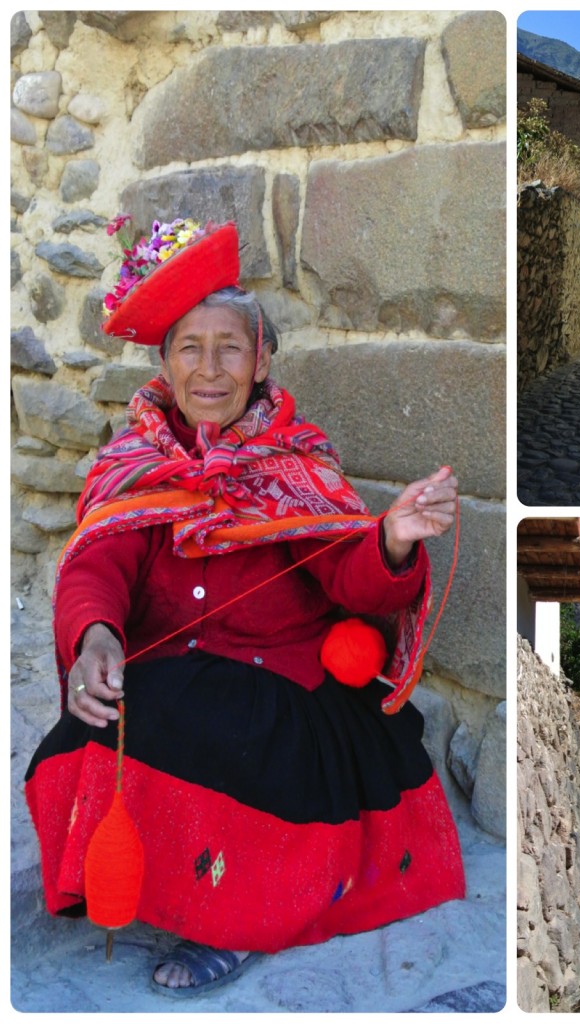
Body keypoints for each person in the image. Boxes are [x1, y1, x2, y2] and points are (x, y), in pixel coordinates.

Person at [23, 217, 465, 997]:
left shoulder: (294, 463)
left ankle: (234, 923)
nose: (210, 368)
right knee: (88, 731)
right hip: (174, 672)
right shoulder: (136, 463)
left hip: (287, 690)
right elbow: (101, 562)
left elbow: (349, 578)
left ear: (261, 359)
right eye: (190, 347)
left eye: (230, 347)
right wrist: (94, 635)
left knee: (228, 737)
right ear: (164, 362)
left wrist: (391, 538)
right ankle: (153, 885)